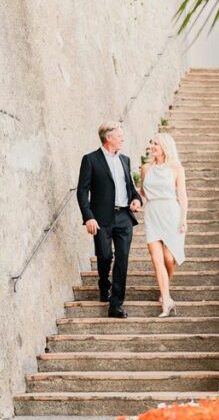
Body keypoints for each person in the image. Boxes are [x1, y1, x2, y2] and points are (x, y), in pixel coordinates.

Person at [76, 123, 142, 318]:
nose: (122, 138)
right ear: (108, 138)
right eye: (119, 135)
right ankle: (103, 283)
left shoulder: (125, 160)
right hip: (101, 218)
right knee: (105, 256)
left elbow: (130, 188)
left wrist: (136, 199)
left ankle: (116, 304)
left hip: (124, 217)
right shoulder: (91, 160)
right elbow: (82, 191)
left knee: (122, 259)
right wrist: (89, 217)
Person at [139, 133, 187, 317]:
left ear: (165, 146)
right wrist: (137, 201)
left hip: (172, 214)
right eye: (152, 143)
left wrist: (184, 218)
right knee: (156, 259)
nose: (153, 146)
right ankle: (166, 300)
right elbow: (143, 191)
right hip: (152, 214)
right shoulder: (145, 168)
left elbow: (182, 195)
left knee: (169, 258)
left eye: (156, 144)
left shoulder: (176, 168)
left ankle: (165, 285)